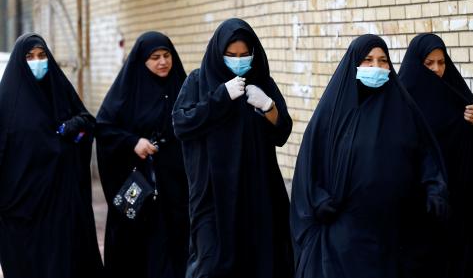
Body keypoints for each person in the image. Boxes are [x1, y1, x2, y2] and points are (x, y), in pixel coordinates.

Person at [290, 34, 449, 278]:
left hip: (393, 233)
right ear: (353, 63)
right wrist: (319, 200)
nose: (377, 67)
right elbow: (309, 166)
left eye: (383, 61)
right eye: (368, 60)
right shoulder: (332, 113)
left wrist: (434, 190)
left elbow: (426, 154)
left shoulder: (403, 109)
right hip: (343, 236)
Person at [172, 18, 294, 278]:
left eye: (244, 55)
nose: (238, 61)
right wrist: (220, 98)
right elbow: (182, 123)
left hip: (258, 192)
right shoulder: (198, 81)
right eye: (231, 55)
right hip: (213, 194)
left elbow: (282, 131)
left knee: (260, 261)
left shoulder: (262, 81)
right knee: (211, 263)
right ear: (219, 53)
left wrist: (268, 107)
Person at [0, 33, 103, 277]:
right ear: (19, 61)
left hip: (61, 203)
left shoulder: (59, 90)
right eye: (29, 56)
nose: (37, 61)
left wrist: (74, 127)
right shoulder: (6, 105)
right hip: (22, 209)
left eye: (42, 55)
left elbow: (87, 123)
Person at [399, 33, 473, 278]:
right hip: (422, 207)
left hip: (459, 205)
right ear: (416, 64)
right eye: (429, 64)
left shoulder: (455, 92)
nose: (437, 69)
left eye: (441, 62)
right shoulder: (402, 102)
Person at [96, 31, 189, 278]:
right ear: (142, 61)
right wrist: (132, 142)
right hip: (137, 185)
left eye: (166, 55)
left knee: (175, 247)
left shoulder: (183, 87)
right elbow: (104, 127)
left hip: (175, 188)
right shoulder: (126, 92)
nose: (162, 62)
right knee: (135, 247)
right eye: (155, 57)